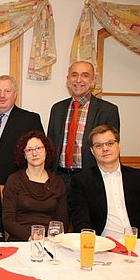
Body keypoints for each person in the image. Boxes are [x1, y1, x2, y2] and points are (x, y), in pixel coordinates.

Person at [70, 125, 140, 237]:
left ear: (118, 145)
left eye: (110, 143)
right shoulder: (81, 181)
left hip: (139, 244)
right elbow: (81, 222)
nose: (105, 149)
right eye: (98, 145)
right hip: (103, 246)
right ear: (92, 151)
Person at [0, 75, 44, 215]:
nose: (2, 95)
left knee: (8, 232)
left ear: (15, 94)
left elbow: (40, 155)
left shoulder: (29, 119)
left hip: (13, 188)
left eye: (7, 91)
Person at [47, 61, 120, 191]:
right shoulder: (57, 109)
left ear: (93, 81)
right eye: (74, 75)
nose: (79, 80)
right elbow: (50, 145)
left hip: (91, 179)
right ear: (68, 80)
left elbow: (110, 149)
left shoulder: (107, 110)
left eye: (85, 75)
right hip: (59, 179)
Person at [2, 131, 68, 241]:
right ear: (23, 154)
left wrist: (51, 238)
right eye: (29, 150)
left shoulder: (58, 182)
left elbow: (62, 221)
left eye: (38, 148)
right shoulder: (14, 180)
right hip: (22, 240)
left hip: (50, 241)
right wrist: (31, 237)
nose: (34, 153)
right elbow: (8, 220)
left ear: (46, 151)